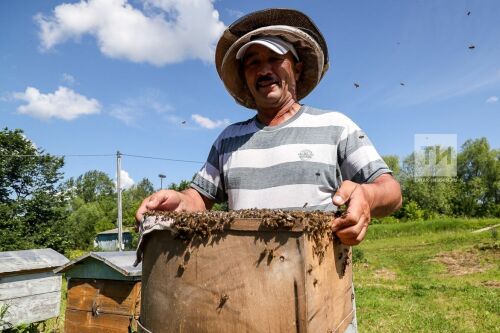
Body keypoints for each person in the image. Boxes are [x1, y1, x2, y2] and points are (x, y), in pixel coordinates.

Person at [136, 8, 402, 332]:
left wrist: (366, 196)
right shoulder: (228, 140)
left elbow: (390, 191)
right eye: (253, 63)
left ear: (296, 67)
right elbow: (198, 199)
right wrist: (177, 201)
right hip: (245, 303)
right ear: (246, 78)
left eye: (274, 58)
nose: (264, 70)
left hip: (322, 303)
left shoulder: (336, 126)